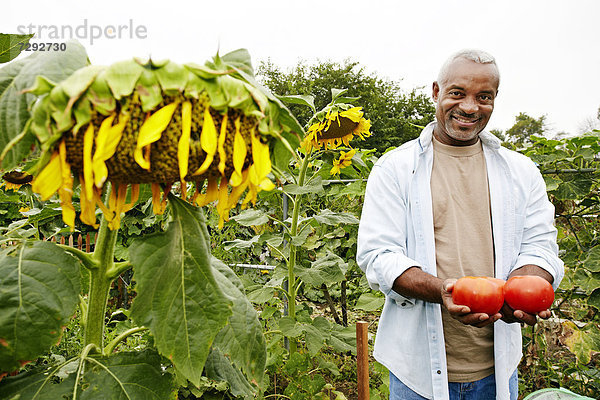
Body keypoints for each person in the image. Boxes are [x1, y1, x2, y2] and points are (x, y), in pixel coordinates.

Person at [356, 49, 564, 400]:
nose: (470, 107)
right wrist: (442, 289)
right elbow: (379, 255)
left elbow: (540, 245)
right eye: (457, 93)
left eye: (484, 97)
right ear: (436, 91)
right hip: (416, 372)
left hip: (497, 369)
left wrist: (523, 289)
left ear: (494, 99)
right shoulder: (395, 168)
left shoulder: (521, 171)